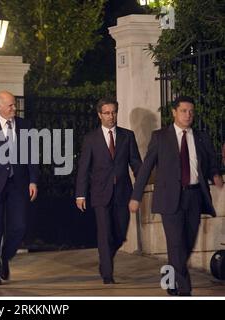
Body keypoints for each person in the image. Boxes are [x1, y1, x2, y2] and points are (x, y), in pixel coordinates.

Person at [129, 96, 224, 296]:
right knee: (176, 243)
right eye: (183, 111)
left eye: (191, 111)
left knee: (187, 243)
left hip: (194, 197)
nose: (188, 115)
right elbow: (146, 169)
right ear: (174, 112)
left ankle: (168, 280)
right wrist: (136, 196)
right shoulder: (160, 137)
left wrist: (215, 174)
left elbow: (210, 162)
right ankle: (184, 289)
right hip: (169, 198)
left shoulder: (201, 137)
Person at [75, 98, 142, 284]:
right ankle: (107, 273)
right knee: (104, 234)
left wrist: (142, 179)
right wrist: (80, 194)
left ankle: (105, 260)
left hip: (123, 192)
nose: (110, 116)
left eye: (113, 112)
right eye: (106, 113)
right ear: (99, 115)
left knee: (119, 234)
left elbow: (135, 162)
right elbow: (84, 168)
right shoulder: (91, 139)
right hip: (100, 193)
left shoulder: (127, 136)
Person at [0, 90, 39, 285]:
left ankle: (5, 256)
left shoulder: (25, 126)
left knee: (20, 227)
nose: (14, 108)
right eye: (10, 105)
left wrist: (33, 180)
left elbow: (32, 155)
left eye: (14, 104)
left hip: (18, 184)